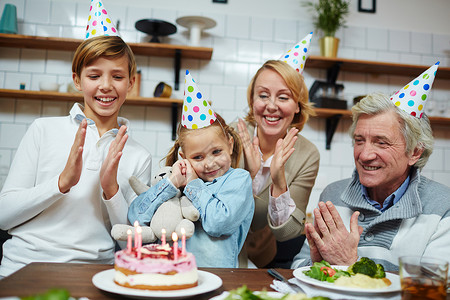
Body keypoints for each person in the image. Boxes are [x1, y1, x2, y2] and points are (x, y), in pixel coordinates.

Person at [0, 3, 152, 278]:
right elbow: (4, 215)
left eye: (117, 76)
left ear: (130, 83)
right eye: (94, 75)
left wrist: (111, 191)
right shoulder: (42, 130)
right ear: (77, 80)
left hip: (96, 275)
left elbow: (131, 244)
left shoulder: (139, 155)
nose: (106, 85)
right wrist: (61, 183)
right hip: (23, 269)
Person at [292, 62, 450, 271]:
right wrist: (315, 263)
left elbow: (433, 289)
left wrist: (349, 264)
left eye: (381, 142)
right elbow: (297, 267)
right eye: (359, 140)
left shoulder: (443, 206)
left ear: (415, 152)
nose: (364, 155)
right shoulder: (334, 195)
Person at [128, 70, 255, 268]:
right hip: (170, 275)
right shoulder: (174, 181)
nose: (209, 163)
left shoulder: (239, 180)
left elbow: (218, 223)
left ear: (230, 145)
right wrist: (171, 184)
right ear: (184, 158)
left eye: (216, 151)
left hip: (217, 281)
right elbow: (135, 217)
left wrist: (193, 185)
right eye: (198, 157)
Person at [234, 33, 320, 268]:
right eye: (263, 95)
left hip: (260, 259)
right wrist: (248, 177)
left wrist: (279, 182)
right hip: (215, 252)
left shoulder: (307, 155)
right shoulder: (229, 136)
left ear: (297, 106)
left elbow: (289, 232)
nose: (271, 105)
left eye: (283, 97)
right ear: (252, 101)